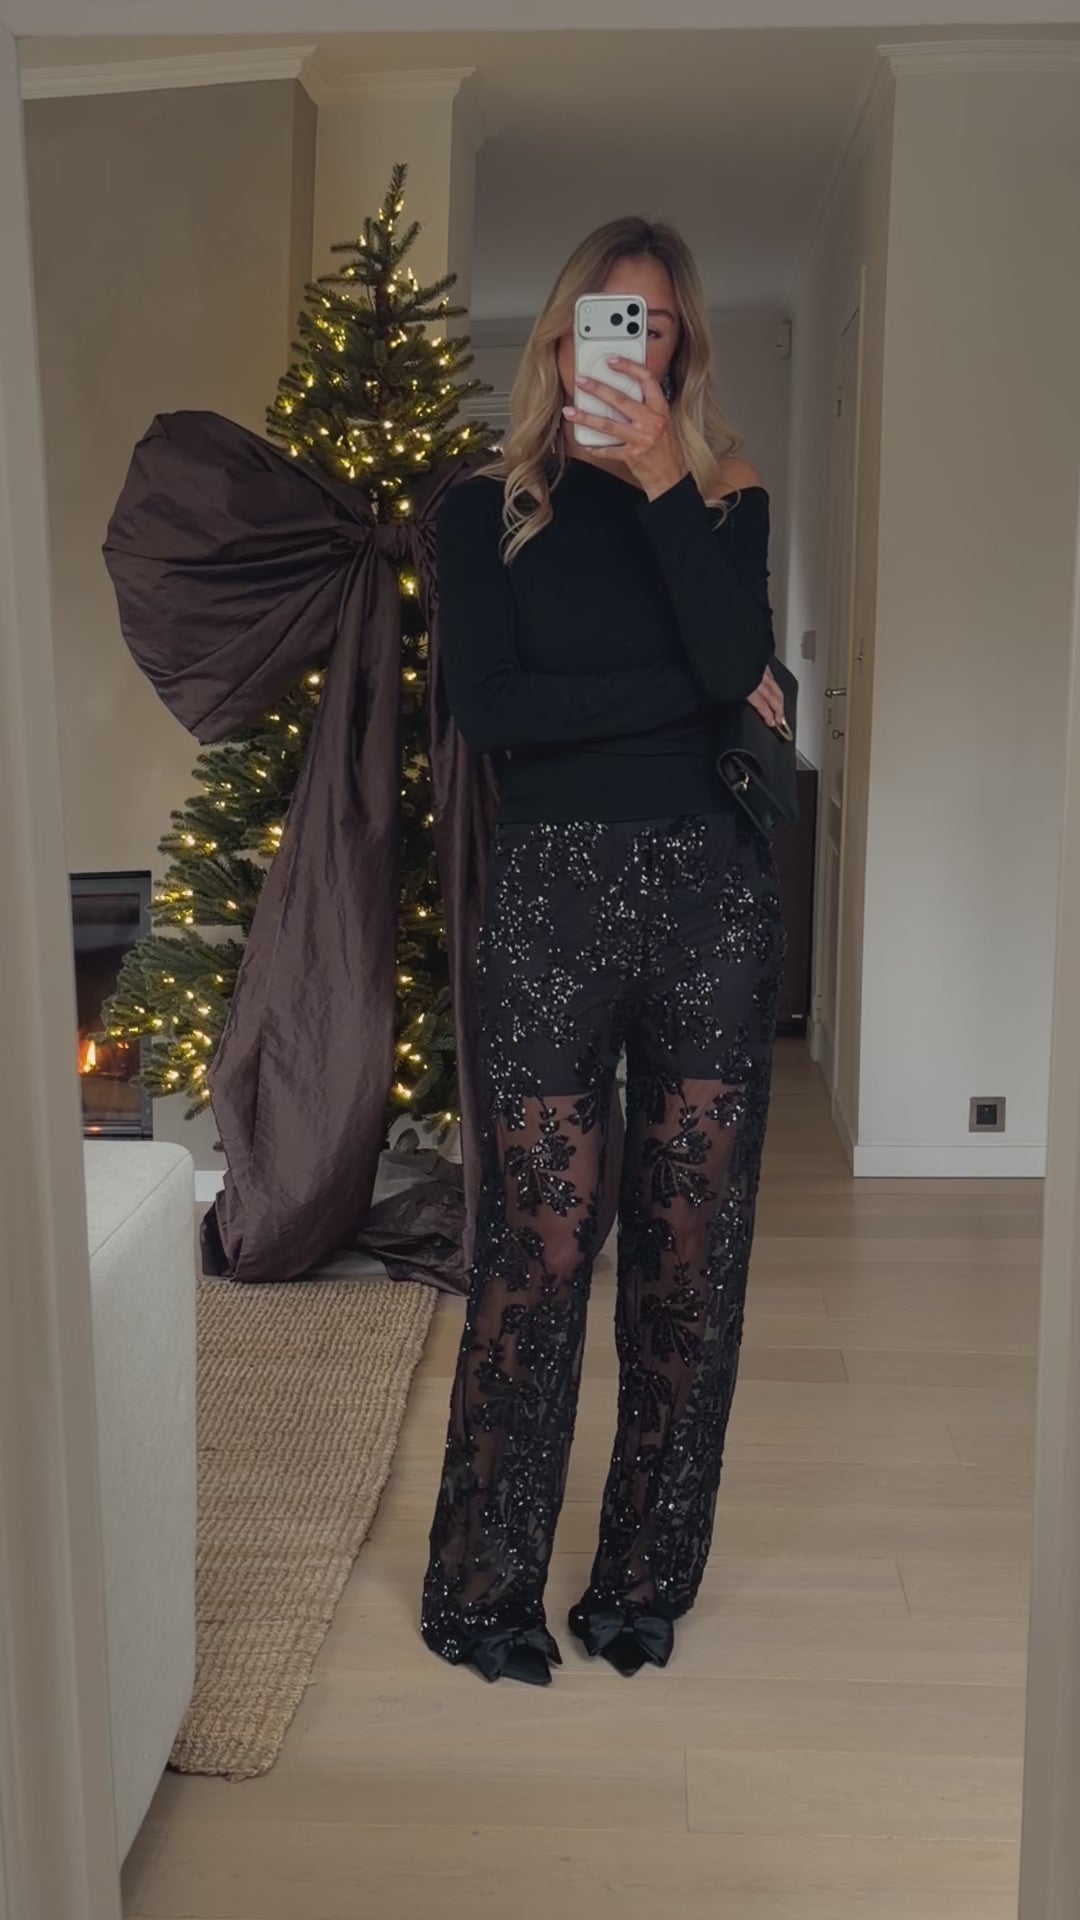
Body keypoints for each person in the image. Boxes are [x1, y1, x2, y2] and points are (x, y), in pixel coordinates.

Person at [420, 215, 787, 1686]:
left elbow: (732, 654)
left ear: (680, 348)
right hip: (552, 897)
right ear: (562, 336)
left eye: (652, 323)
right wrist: (697, 693)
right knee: (543, 1242)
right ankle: (483, 1587)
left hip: (710, 897)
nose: (622, 347)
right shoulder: (485, 505)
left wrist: (662, 488)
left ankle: (644, 1579)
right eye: (599, 319)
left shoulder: (725, 493)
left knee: (690, 1251)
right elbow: (491, 708)